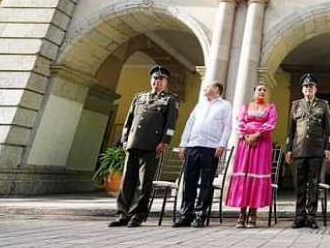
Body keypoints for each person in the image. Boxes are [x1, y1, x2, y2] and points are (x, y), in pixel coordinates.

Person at [109, 65, 180, 228]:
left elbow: (170, 124)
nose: (158, 82)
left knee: (143, 182)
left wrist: (164, 142)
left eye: (161, 80)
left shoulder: (170, 100)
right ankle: (122, 214)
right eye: (155, 79)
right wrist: (125, 139)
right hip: (133, 144)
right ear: (151, 80)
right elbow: (129, 120)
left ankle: (138, 214)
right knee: (127, 181)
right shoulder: (139, 97)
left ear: (166, 82)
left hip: (152, 145)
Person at [172, 82, 232, 228]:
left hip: (211, 147)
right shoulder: (200, 105)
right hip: (192, 145)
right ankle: (186, 214)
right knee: (189, 181)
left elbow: (227, 126)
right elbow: (189, 124)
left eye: (208, 87)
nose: (204, 89)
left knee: (206, 183)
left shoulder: (224, 105)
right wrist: (183, 144)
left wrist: (222, 144)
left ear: (217, 89)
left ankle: (200, 215)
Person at [285, 73, 330, 229]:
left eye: (311, 86)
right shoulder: (295, 105)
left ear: (315, 89)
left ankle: (311, 216)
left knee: (313, 184)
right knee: (299, 184)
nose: (308, 89)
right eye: (306, 86)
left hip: (316, 150)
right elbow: (290, 130)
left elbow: (328, 129)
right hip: (298, 149)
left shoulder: (323, 105)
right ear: (302, 89)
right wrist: (288, 149)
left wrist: (328, 148)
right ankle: (299, 216)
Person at [226, 83, 277, 228]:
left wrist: (257, 135)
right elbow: (240, 122)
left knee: (256, 174)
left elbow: (271, 123)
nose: (262, 92)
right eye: (259, 90)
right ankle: (241, 214)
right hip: (245, 144)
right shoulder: (246, 107)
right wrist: (246, 136)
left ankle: (253, 214)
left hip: (262, 144)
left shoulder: (271, 107)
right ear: (254, 92)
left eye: (264, 90)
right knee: (245, 175)